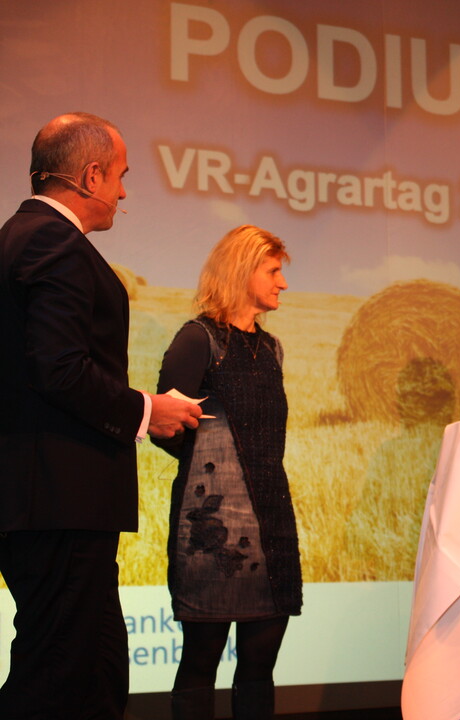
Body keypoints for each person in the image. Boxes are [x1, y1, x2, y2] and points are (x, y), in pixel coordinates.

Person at [0, 113, 201, 719]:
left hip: (43, 501)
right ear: (89, 175)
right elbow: (58, 368)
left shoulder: (16, 236)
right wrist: (148, 410)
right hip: (57, 501)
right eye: (119, 177)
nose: (122, 193)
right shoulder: (54, 243)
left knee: (94, 666)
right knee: (60, 675)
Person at [153, 225, 302, 720]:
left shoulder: (273, 348)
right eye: (273, 271)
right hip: (213, 529)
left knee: (260, 664)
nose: (283, 283)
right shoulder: (198, 340)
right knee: (201, 661)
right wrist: (214, 475)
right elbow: (164, 430)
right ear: (242, 271)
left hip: (272, 521)